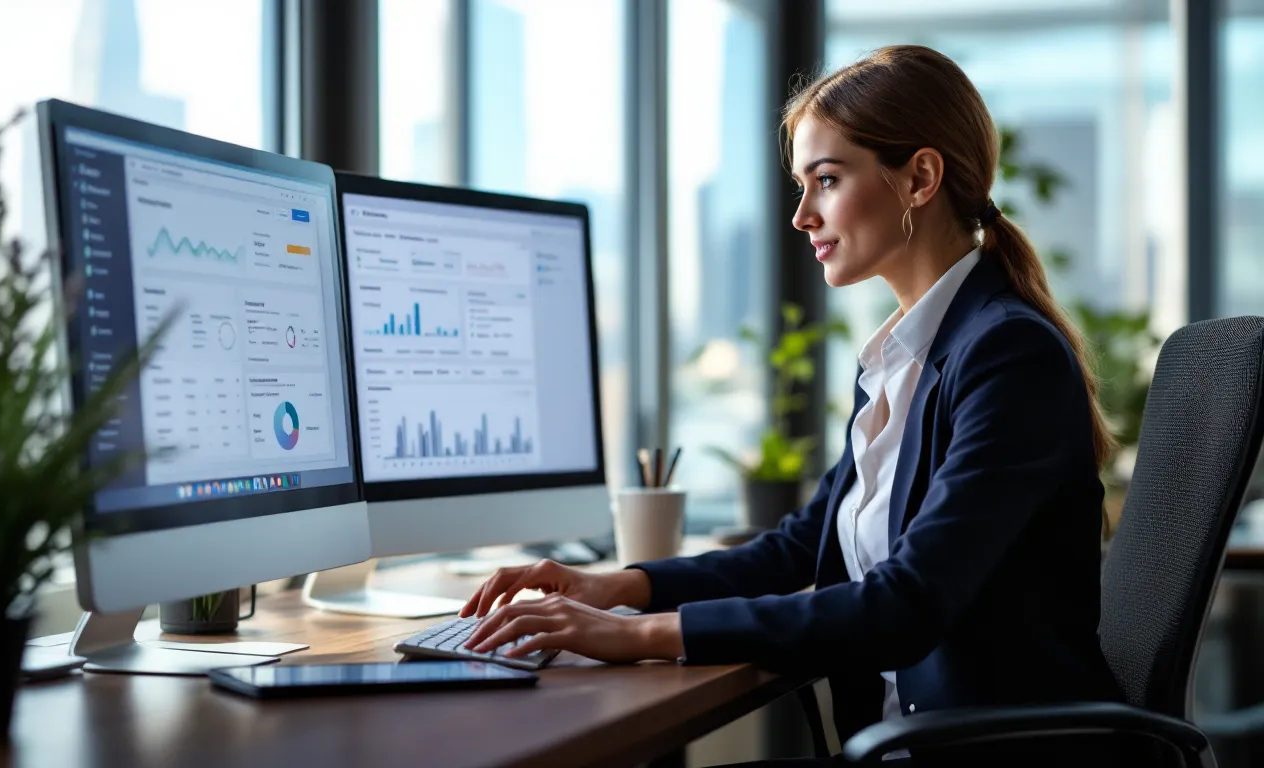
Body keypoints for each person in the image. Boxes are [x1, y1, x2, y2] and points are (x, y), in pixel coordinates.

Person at [459, 45, 1130, 766]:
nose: (802, 216)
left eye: (828, 180)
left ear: (921, 178)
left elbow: (906, 605)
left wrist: (635, 634)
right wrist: (616, 587)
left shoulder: (1006, 355)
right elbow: (802, 547)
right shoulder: (904, 360)